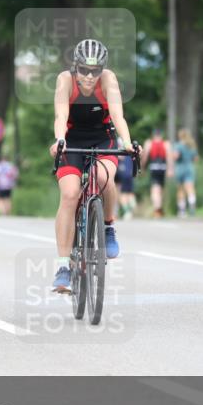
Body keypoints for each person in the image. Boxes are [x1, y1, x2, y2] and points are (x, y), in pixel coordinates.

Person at [50, 38, 136, 292]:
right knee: (69, 194)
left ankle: (108, 226)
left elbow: (118, 116)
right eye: (84, 70)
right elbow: (61, 115)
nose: (89, 76)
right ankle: (63, 266)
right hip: (72, 138)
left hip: (102, 137)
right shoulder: (65, 80)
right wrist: (60, 139)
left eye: (95, 71)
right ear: (75, 67)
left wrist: (128, 143)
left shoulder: (108, 79)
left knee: (103, 178)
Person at [141, 129, 172, 217]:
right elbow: (169, 157)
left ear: (153, 135)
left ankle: (157, 208)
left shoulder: (149, 143)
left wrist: (142, 167)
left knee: (155, 189)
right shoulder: (166, 144)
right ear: (161, 135)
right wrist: (170, 169)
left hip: (154, 167)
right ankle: (159, 208)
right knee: (160, 189)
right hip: (163, 168)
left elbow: (145, 157)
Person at [173, 128, 198, 217]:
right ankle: (192, 206)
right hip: (189, 168)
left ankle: (182, 211)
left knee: (181, 190)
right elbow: (195, 159)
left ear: (180, 136)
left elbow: (175, 156)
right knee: (190, 188)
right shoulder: (192, 145)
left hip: (180, 168)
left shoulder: (178, 145)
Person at [114, 137, 137, 220]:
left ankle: (126, 211)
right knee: (129, 192)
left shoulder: (119, 152)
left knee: (121, 194)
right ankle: (131, 206)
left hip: (121, 173)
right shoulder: (130, 153)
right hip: (130, 174)